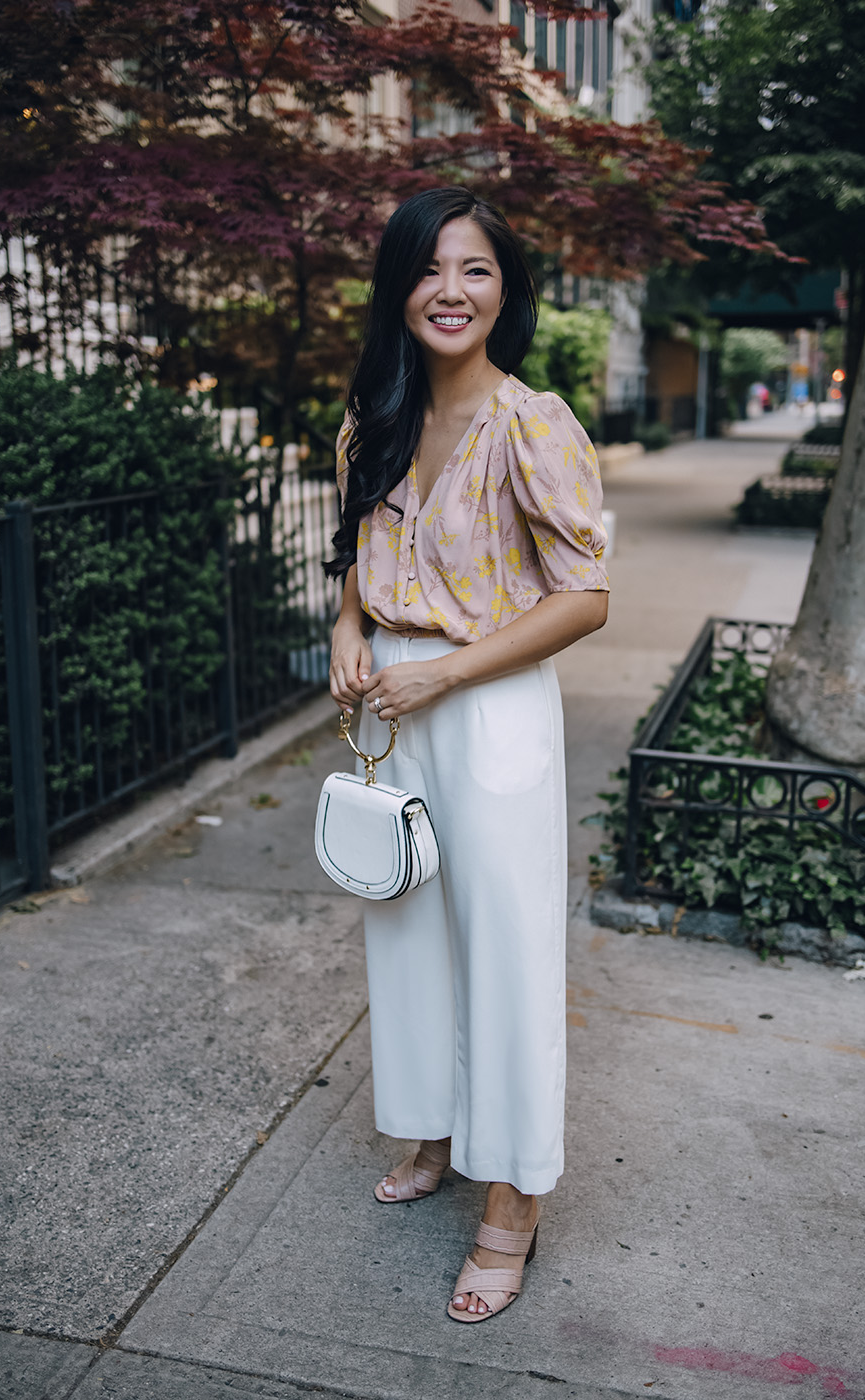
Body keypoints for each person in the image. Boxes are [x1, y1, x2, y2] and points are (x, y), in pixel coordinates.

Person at [325, 186, 609, 1322]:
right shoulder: (372, 414)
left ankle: (512, 1205)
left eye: (475, 269)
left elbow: (585, 596)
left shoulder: (531, 422)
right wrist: (349, 627)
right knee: (405, 934)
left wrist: (445, 667)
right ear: (399, 285)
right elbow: (353, 556)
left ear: (505, 291)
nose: (450, 289)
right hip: (394, 706)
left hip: (484, 706)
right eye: (429, 268)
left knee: (502, 949)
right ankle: (435, 1131)